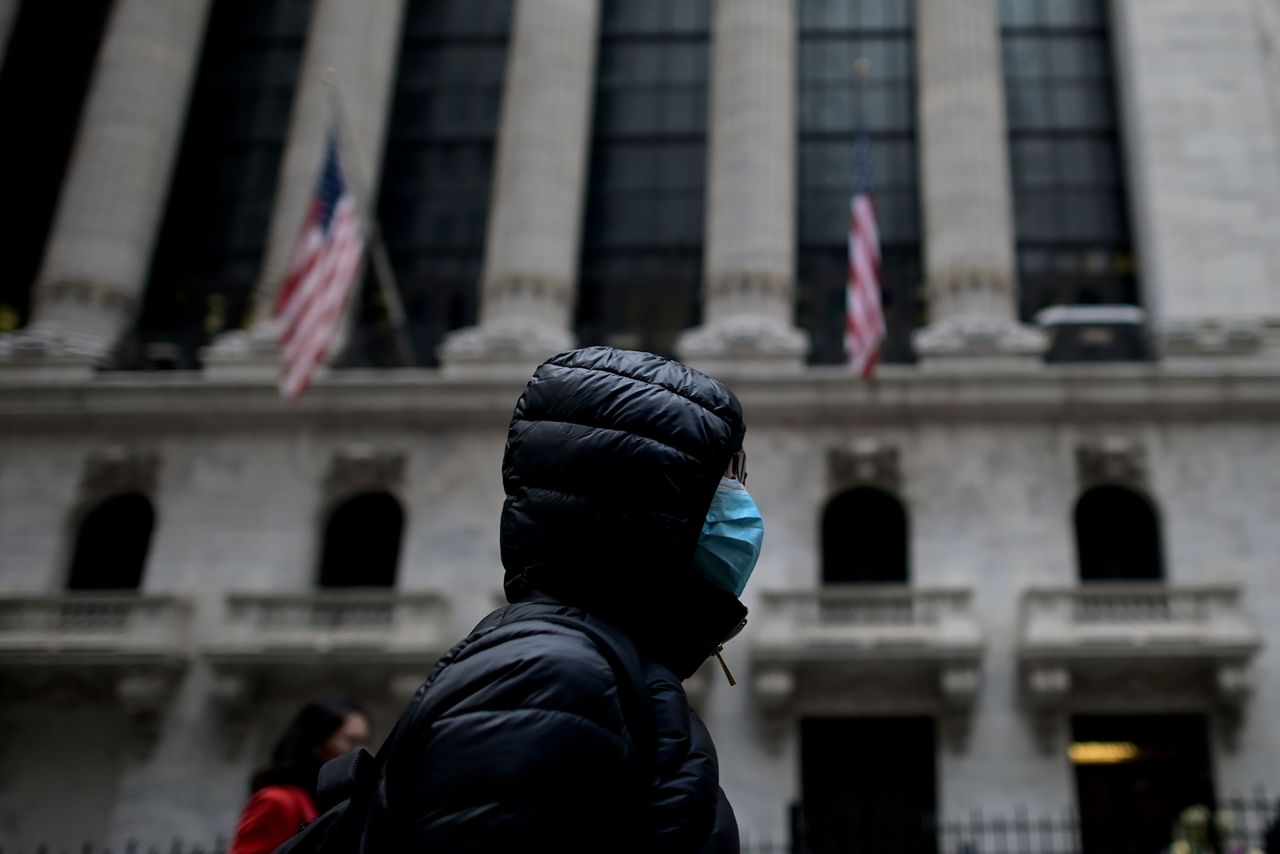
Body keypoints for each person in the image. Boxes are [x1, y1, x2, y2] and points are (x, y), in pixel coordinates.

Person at [364, 346, 762, 852]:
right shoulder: (553, 675)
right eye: (727, 481)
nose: (743, 503)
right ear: (650, 505)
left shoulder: (600, 667)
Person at [230, 696, 369, 854]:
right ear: (317, 743)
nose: (360, 751)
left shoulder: (338, 801)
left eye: (364, 741)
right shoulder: (277, 801)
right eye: (350, 741)